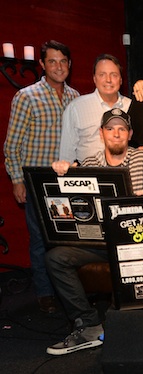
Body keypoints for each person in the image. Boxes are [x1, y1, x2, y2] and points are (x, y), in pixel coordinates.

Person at [45, 109, 143, 355]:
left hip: (133, 243)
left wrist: (142, 199)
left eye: (122, 129)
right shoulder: (89, 164)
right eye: (110, 129)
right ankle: (88, 324)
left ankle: (120, 328)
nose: (116, 134)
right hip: (97, 244)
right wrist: (62, 170)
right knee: (55, 257)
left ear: (130, 134)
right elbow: (70, 204)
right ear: (101, 133)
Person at [3, 40, 80, 314]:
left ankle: (67, 292)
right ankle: (45, 293)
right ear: (42, 65)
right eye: (52, 61)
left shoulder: (75, 97)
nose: (58, 66)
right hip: (37, 182)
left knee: (68, 241)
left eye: (63, 61)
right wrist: (16, 180)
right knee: (40, 239)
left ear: (69, 65)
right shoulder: (26, 96)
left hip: (68, 183)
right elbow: (12, 144)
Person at [59, 54, 131, 163]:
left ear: (121, 80)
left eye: (114, 75)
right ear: (94, 79)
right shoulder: (76, 108)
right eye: (102, 74)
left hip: (125, 174)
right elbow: (66, 156)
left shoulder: (131, 106)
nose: (108, 80)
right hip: (88, 174)